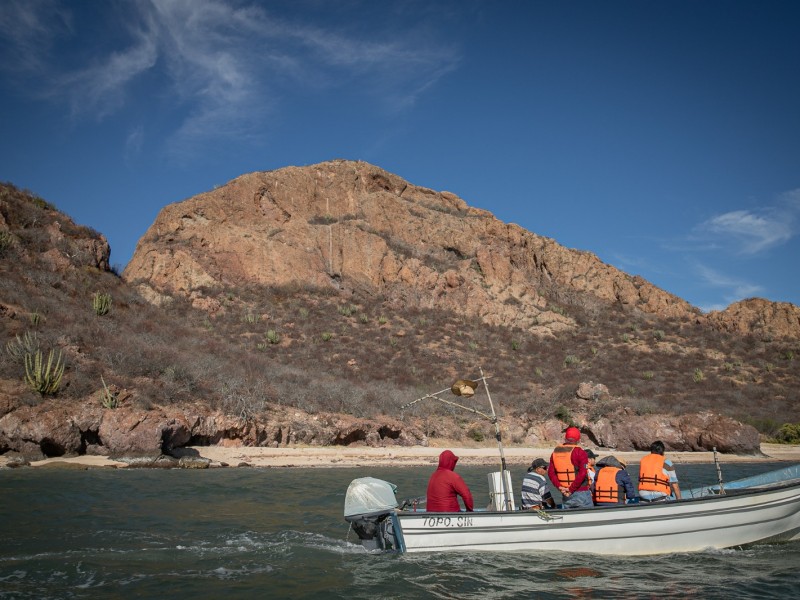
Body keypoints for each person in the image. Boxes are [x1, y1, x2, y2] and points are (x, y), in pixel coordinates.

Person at [548, 426, 593, 509]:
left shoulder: (555, 452)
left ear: (565, 438)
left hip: (565, 493)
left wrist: (559, 487)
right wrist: (571, 489)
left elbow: (550, 473)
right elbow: (582, 474)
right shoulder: (580, 452)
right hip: (580, 492)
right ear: (578, 440)